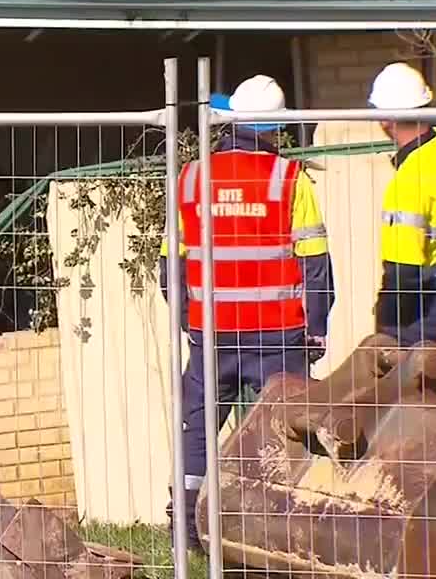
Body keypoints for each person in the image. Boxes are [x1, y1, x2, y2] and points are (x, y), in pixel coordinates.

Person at [159, 75, 335, 547]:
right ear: (274, 128)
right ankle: (287, 531)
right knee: (289, 429)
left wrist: (189, 319)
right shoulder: (288, 178)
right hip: (277, 335)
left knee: (198, 426)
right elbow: (315, 266)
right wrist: (316, 329)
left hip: (212, 334)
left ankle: (187, 528)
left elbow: (168, 266)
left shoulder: (192, 177)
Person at [367, 62, 436, 346]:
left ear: (385, 119)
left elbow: (404, 272)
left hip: (434, 308)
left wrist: (386, 327)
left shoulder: (410, 177)